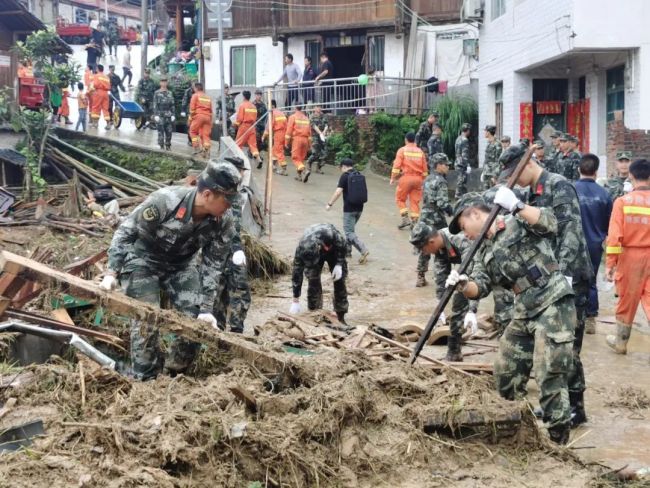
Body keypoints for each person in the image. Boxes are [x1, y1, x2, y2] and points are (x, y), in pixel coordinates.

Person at [447, 188, 575, 444]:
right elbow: (480, 288)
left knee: (549, 372)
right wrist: (463, 284)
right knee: (505, 369)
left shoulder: (517, 222)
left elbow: (550, 223)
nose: (464, 234)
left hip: (552, 300)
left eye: (463, 226)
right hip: (524, 310)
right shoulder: (483, 252)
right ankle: (520, 429)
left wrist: (517, 205)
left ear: (473, 214)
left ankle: (558, 443)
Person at [99, 161, 241, 379]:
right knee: (147, 319)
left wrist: (205, 308)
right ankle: (144, 378)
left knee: (196, 323)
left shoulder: (224, 221)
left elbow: (213, 265)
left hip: (181, 265)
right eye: (226, 200)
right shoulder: (165, 201)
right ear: (207, 194)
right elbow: (125, 232)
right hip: (142, 261)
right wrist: (112, 272)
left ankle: (174, 375)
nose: (230, 205)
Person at [508, 144, 593, 428]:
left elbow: (569, 231)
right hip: (549, 279)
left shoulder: (559, 185)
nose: (515, 179)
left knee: (568, 345)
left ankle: (576, 409)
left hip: (571, 278)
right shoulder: (531, 193)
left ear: (528, 163)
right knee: (555, 345)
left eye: (515, 172)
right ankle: (560, 406)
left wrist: (565, 275)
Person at [410, 221, 479, 361]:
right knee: (458, 306)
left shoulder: (460, 239)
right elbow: (441, 277)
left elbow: (474, 274)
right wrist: (440, 307)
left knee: (503, 304)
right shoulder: (439, 248)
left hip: (490, 264)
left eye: (423, 250)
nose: (424, 254)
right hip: (472, 269)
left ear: (431, 241)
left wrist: (472, 310)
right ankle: (454, 353)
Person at [605, 159, 650, 355]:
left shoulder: (622, 202)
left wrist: (610, 264)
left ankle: (621, 343)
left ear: (630, 176)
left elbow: (615, 237)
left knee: (626, 300)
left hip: (631, 256)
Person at [574, 154, 613, 335]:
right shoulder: (604, 194)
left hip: (572, 244)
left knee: (569, 279)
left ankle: (572, 317)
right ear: (596, 172)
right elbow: (609, 224)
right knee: (591, 281)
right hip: (594, 245)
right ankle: (590, 319)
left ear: (579, 169)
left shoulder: (570, 190)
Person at [212, 157, 251, 334]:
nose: (243, 174)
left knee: (220, 289)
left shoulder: (218, 188)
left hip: (216, 250)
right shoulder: (230, 194)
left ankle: (220, 328)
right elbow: (232, 226)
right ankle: (233, 329)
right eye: (241, 170)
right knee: (238, 289)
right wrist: (237, 249)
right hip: (226, 250)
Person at [290, 224, 349, 324]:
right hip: (316, 252)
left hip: (334, 252)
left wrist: (339, 263)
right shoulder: (303, 248)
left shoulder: (334, 236)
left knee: (340, 281)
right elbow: (297, 272)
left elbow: (343, 247)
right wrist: (295, 299)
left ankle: (341, 315)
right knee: (313, 280)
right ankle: (315, 314)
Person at [415, 153, 453, 287]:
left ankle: (420, 276)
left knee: (425, 246)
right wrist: (452, 211)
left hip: (425, 216)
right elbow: (442, 203)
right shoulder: (441, 181)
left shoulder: (427, 179)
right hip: (436, 218)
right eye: (446, 164)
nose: (448, 166)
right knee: (442, 246)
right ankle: (442, 276)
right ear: (438, 165)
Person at [325, 158, 369, 264]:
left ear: (344, 166)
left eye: (341, 168)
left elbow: (338, 192)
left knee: (349, 232)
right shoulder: (359, 174)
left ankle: (363, 249)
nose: (341, 170)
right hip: (360, 208)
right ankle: (347, 252)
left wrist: (329, 204)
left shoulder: (345, 176)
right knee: (350, 231)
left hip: (349, 209)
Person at [390, 131, 428, 230]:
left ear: (406, 140)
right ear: (414, 140)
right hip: (418, 179)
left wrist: (393, 178)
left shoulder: (402, 150)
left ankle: (405, 218)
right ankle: (414, 222)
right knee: (414, 201)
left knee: (400, 198)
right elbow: (425, 169)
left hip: (406, 178)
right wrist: (422, 180)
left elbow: (396, 166)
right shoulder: (420, 152)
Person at [234, 90, 261, 167]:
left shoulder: (242, 105)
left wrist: (235, 124)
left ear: (244, 97)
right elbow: (255, 118)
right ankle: (258, 159)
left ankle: (238, 160)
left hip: (244, 127)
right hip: (252, 127)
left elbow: (239, 119)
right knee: (253, 145)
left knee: (238, 143)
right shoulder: (253, 106)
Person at [284, 105, 311, 181]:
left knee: (295, 158)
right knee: (301, 159)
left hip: (297, 139)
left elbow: (289, 131)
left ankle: (304, 171)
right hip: (305, 140)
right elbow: (309, 133)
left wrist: (286, 142)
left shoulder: (293, 117)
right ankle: (299, 176)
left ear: (295, 108)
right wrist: (310, 145)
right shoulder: (306, 118)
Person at [264, 100, 288, 176]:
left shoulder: (273, 113)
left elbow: (270, 125)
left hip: (278, 133)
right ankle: (274, 166)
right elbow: (286, 124)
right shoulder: (281, 113)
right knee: (274, 149)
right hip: (283, 132)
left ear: (272, 106)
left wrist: (265, 135)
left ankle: (284, 169)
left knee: (278, 151)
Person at [189, 82, 213, 158]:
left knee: (192, 131)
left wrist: (191, 118)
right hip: (208, 117)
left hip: (199, 116)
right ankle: (206, 150)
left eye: (194, 88)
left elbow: (192, 109)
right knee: (205, 135)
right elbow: (211, 110)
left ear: (196, 88)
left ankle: (196, 148)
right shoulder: (208, 97)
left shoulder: (195, 95)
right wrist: (210, 121)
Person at [306, 104, 329, 177]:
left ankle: (318, 168)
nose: (319, 108)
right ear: (314, 108)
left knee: (325, 153)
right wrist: (320, 133)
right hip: (315, 136)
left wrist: (324, 132)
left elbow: (326, 125)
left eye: (320, 107)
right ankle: (309, 163)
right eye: (317, 107)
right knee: (315, 153)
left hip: (322, 136)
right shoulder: (312, 116)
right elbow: (314, 126)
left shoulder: (323, 115)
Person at [153, 76, 176, 151]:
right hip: (160, 114)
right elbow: (155, 104)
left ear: (167, 83)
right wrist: (156, 114)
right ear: (160, 83)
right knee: (160, 131)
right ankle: (161, 146)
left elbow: (172, 104)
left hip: (168, 115)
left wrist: (173, 115)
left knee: (169, 131)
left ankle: (168, 145)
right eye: (162, 82)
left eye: (165, 82)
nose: (164, 83)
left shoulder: (170, 93)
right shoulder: (157, 93)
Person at [89, 64, 111, 129]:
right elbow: (109, 86)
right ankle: (108, 124)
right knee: (105, 109)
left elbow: (94, 85)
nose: (96, 69)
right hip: (106, 94)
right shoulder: (107, 77)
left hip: (98, 92)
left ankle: (95, 124)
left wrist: (89, 92)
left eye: (96, 68)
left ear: (98, 69)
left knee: (96, 107)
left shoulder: (96, 76)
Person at [481, 124, 502, 190]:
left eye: (485, 131)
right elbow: (486, 158)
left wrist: (495, 175)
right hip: (486, 171)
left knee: (493, 191)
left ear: (489, 132)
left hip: (492, 172)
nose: (484, 133)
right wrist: (483, 171)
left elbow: (498, 160)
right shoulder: (488, 142)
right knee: (485, 191)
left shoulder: (497, 143)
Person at [454, 123, 472, 198]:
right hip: (462, 164)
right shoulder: (465, 140)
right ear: (467, 130)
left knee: (460, 180)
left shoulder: (458, 138)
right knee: (461, 181)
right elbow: (465, 154)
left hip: (457, 162)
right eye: (469, 130)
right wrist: (467, 165)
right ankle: (458, 196)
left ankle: (462, 196)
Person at [181, 81, 196, 146]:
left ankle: (195, 140)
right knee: (190, 126)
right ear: (191, 84)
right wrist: (183, 110)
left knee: (196, 126)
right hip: (189, 111)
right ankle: (190, 140)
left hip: (197, 112)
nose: (194, 85)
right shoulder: (188, 91)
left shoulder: (198, 90)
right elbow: (184, 101)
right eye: (193, 84)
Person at [253, 89, 267, 156]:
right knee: (256, 139)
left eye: (260, 95)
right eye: (257, 95)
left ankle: (258, 152)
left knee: (262, 140)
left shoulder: (263, 104)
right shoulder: (253, 104)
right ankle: (252, 152)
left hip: (262, 125)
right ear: (255, 95)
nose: (259, 96)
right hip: (256, 125)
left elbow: (266, 114)